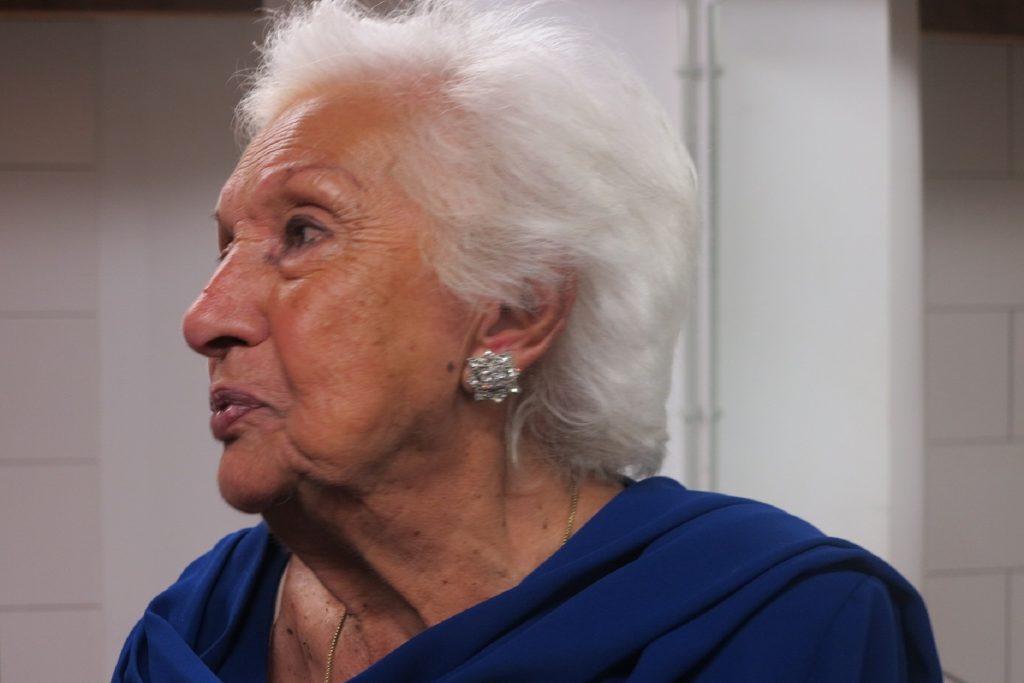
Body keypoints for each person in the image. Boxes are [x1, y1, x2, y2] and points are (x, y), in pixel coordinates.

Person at [113, 1, 942, 681]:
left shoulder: (774, 627)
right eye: (226, 246)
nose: (204, 319)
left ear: (513, 313)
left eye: (304, 232)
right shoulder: (193, 631)